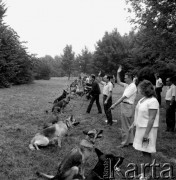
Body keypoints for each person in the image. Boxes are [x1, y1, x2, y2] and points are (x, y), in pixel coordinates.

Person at [131, 80, 159, 180]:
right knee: (143, 151)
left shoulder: (153, 101)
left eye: (139, 88)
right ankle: (144, 172)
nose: (138, 89)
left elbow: (151, 119)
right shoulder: (143, 99)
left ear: (144, 89)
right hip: (140, 129)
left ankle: (147, 174)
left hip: (148, 131)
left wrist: (146, 134)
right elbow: (138, 112)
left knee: (146, 151)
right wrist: (133, 123)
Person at [110, 65, 137, 147]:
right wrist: (118, 73)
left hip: (127, 107)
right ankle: (131, 141)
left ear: (129, 78)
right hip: (126, 106)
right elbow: (118, 82)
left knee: (125, 126)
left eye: (125, 78)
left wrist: (114, 104)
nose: (124, 79)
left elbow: (123, 97)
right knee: (128, 125)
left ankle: (124, 143)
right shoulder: (128, 85)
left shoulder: (132, 87)